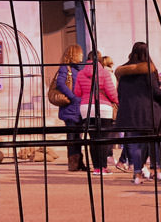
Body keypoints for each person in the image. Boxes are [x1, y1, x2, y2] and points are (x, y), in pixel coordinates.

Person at [114, 42, 161, 184]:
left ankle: (137, 174)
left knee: (136, 144)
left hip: (131, 114)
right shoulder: (149, 70)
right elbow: (155, 91)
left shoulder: (123, 72)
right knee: (156, 142)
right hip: (150, 112)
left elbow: (119, 94)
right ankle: (157, 171)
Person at [74, 49, 119, 174]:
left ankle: (96, 168)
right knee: (103, 139)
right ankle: (103, 167)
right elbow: (111, 92)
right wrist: (117, 101)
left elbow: (77, 92)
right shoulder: (104, 73)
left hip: (86, 108)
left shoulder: (81, 74)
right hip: (104, 108)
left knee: (92, 138)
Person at [51, 44, 85, 172]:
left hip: (78, 109)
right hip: (70, 108)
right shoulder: (65, 68)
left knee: (78, 137)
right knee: (72, 136)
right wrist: (73, 97)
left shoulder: (77, 69)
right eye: (80, 53)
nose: (82, 55)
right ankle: (73, 163)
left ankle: (79, 161)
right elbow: (60, 83)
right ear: (74, 54)